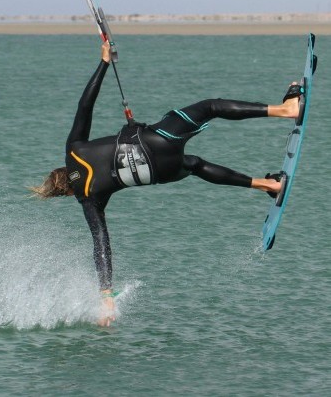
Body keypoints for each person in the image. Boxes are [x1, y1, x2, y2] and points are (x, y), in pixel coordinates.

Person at [31, 41, 302, 327]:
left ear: (65, 191)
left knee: (194, 165)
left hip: (162, 170)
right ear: (62, 170)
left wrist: (106, 295)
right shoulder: (74, 150)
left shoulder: (88, 200)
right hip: (157, 141)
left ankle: (268, 186)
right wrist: (104, 62)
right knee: (210, 107)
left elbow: (101, 244)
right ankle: (285, 110)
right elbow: (85, 104)